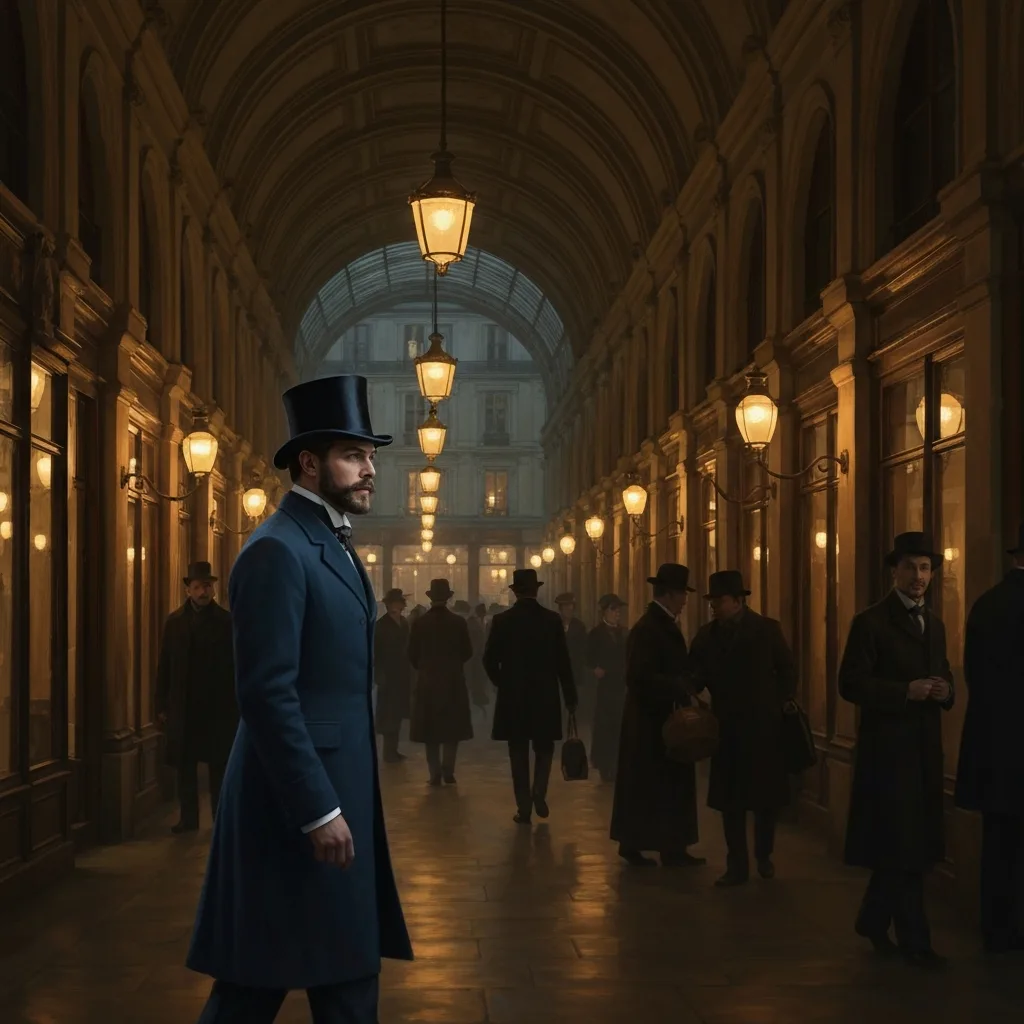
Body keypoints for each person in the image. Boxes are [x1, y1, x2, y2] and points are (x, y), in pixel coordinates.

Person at [188, 375, 412, 1023]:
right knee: (257, 986)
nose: (370, 469)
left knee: (332, 976)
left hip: (329, 796)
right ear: (308, 464)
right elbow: (266, 692)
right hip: (290, 808)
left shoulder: (329, 544)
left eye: (371, 456)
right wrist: (317, 809)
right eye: (353, 455)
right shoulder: (277, 552)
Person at [839, 531, 954, 970]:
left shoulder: (937, 625)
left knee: (909, 846)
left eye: (925, 568)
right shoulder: (870, 622)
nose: (919, 576)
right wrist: (904, 691)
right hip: (888, 755)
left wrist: (946, 690)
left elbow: (942, 674)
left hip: (925, 753)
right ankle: (916, 942)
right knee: (907, 850)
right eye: (910, 567)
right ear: (895, 571)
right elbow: (850, 684)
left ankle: (871, 920)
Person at [689, 570, 796, 886]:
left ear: (738, 601)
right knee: (730, 803)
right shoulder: (707, 636)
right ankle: (737, 864)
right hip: (726, 729)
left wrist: (780, 702)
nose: (714, 607)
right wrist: (696, 691)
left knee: (766, 802)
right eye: (712, 601)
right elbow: (694, 671)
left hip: (763, 728)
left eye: (719, 601)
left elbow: (788, 669)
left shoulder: (766, 630)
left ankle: (763, 854)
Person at [955, 520, 1024, 953]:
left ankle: (996, 929)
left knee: (999, 843)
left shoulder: (986, 604)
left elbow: (973, 674)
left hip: (995, 750)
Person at [610, 564, 705, 868]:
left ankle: (661, 844)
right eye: (682, 594)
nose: (685, 600)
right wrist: (677, 686)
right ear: (669, 594)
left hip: (659, 718)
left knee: (657, 785)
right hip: (652, 720)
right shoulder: (651, 628)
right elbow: (639, 676)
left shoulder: (660, 624)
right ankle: (654, 845)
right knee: (655, 784)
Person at [484, 569, 577, 824]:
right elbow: (563, 663)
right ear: (537, 590)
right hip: (545, 695)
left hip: (514, 697)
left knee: (518, 752)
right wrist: (570, 696)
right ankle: (539, 791)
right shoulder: (552, 620)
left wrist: (502, 684)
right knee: (544, 748)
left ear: (515, 592)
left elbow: (489, 660)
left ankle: (523, 806)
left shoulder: (503, 621)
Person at [156, 561, 237, 834]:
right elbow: (164, 666)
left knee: (218, 769)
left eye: (208, 586)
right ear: (188, 590)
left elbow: (236, 666)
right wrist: (162, 705)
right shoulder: (175, 622)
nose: (205, 591)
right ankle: (188, 820)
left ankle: (219, 818)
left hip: (216, 707)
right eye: (199, 586)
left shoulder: (226, 622)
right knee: (185, 768)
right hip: (185, 706)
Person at [408, 580, 473, 786]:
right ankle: (449, 770)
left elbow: (411, 654)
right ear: (448, 598)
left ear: (430, 597)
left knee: (431, 733)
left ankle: (434, 772)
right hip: (453, 681)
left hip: (428, 681)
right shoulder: (458, 623)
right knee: (451, 730)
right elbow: (467, 652)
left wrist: (425, 668)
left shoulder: (420, 623)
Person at [586, 593, 628, 782]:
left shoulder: (624, 634)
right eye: (613, 609)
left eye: (619, 610)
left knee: (619, 727)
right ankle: (604, 765)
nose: (617, 613)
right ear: (604, 612)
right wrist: (594, 669)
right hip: (603, 689)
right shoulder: (595, 634)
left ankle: (618, 764)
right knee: (604, 727)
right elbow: (587, 659)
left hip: (620, 686)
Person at [373, 588, 412, 763]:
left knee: (396, 713)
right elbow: (377, 652)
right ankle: (389, 752)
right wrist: (379, 674)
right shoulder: (381, 625)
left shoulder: (404, 623)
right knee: (389, 713)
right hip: (388, 675)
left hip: (401, 674)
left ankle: (393, 750)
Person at [556, 593, 590, 725]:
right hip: (558, 671)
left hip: (575, 670)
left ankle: (573, 726)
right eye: (566, 607)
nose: (569, 610)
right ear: (561, 609)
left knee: (574, 702)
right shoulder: (554, 624)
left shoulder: (579, 626)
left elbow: (583, 649)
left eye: (571, 607)